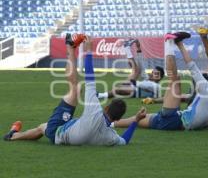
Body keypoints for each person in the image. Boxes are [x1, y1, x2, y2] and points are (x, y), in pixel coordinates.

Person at [4, 34, 146, 146]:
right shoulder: (111, 137)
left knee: (74, 90)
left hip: (59, 133)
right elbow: (125, 140)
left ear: (107, 107)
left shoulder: (95, 110)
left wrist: (89, 50)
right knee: (42, 127)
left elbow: (90, 78)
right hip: (71, 127)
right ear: (118, 119)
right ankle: (13, 135)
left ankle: (70, 47)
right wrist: (136, 121)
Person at [114, 32, 208, 130]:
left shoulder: (205, 89)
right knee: (136, 119)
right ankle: (110, 124)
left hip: (173, 119)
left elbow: (193, 67)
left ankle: (169, 42)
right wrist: (202, 124)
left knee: (174, 80)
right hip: (169, 120)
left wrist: (180, 45)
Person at [97, 39, 164, 99]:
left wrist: (132, 79)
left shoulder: (156, 86)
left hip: (136, 92)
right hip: (135, 90)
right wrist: (138, 48)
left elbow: (140, 84)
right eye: (152, 72)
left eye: (155, 74)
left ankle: (127, 48)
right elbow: (142, 66)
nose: (152, 74)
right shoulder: (149, 79)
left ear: (160, 78)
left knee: (118, 88)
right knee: (137, 70)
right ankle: (127, 48)